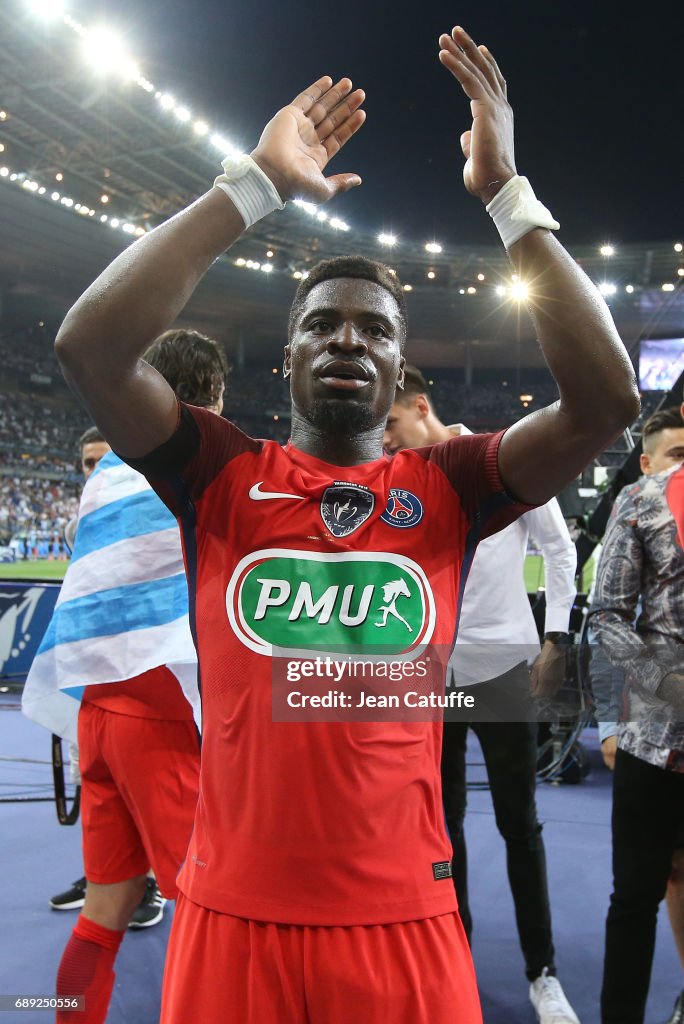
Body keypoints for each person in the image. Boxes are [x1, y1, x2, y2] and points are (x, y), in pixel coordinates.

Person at [52, 26, 639, 1024]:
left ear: (402, 363)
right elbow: (91, 347)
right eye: (323, 323)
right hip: (231, 920)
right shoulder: (221, 473)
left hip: (405, 924)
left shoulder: (451, 482)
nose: (347, 339)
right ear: (286, 356)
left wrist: (506, 193)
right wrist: (251, 186)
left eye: (374, 328)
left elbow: (606, 399)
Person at [24, 330, 227, 1024]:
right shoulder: (193, 465)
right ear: (213, 398)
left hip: (96, 713)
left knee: (105, 909)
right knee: (207, 914)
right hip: (159, 713)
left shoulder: (105, 471)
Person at [385, 365, 580, 1024]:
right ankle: (455, 956)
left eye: (389, 426)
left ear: (420, 406)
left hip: (501, 669)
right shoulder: (398, 484)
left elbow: (560, 550)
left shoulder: (502, 462)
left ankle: (542, 970)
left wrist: (556, 636)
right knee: (443, 831)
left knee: (519, 824)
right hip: (429, 674)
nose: (384, 444)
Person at [49, 429, 168, 929]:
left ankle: (150, 884)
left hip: (148, 697)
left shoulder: (150, 505)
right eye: (86, 463)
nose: (93, 473)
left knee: (190, 876)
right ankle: (118, 876)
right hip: (98, 694)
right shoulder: (85, 524)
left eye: (103, 461)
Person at [588, 406, 684, 1024]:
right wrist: (664, 686)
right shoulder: (641, 501)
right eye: (674, 453)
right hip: (656, 740)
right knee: (637, 898)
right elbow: (606, 615)